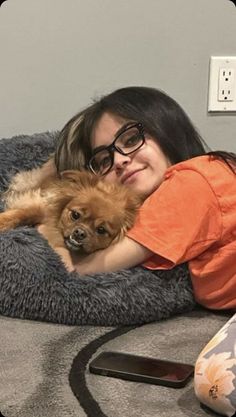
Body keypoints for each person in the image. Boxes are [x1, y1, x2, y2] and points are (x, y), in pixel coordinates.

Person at [53, 86, 236, 416]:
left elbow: (89, 266)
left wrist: (38, 236)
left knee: (218, 385)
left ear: (167, 128)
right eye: (104, 159)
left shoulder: (192, 181)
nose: (121, 160)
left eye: (130, 138)